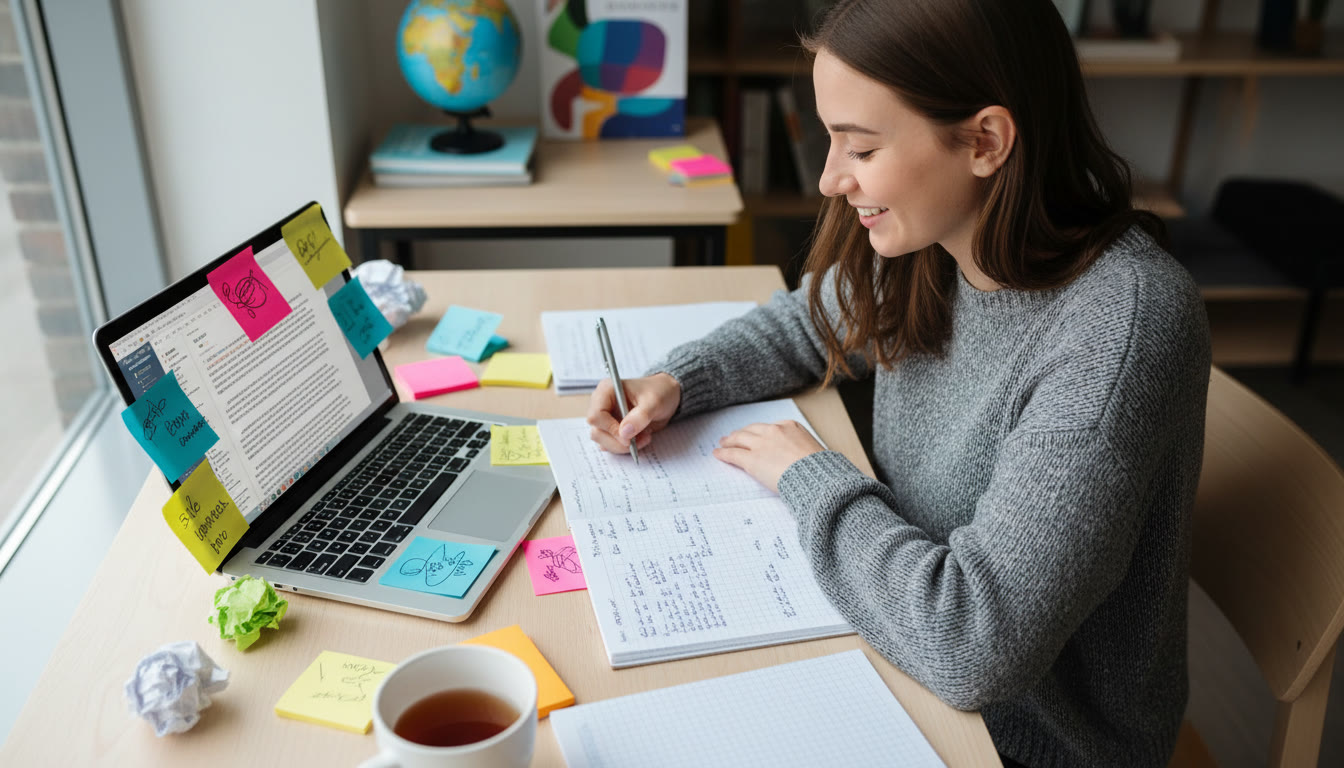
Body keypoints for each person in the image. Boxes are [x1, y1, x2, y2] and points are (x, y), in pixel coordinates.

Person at [586, 1, 1211, 766]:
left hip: (1022, 741)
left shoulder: (1119, 329)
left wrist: (811, 478)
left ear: (985, 141)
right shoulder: (934, 234)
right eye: (829, 139)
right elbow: (806, 323)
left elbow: (973, 645)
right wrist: (676, 380)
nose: (827, 178)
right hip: (895, 646)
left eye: (861, 147)